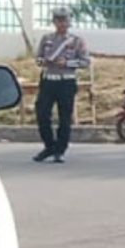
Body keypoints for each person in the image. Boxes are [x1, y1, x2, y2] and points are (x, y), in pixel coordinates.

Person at [31, 14, 91, 164]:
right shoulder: (47, 38)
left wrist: (67, 63)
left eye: (64, 20)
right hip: (48, 81)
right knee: (42, 114)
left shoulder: (76, 41)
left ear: (69, 22)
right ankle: (49, 146)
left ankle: (60, 150)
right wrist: (44, 61)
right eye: (58, 20)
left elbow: (85, 62)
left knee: (65, 118)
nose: (61, 23)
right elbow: (38, 58)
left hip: (66, 82)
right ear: (54, 22)